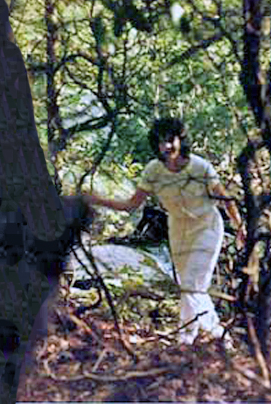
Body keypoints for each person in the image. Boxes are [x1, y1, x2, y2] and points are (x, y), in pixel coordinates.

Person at [85, 117, 246, 344]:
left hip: (207, 227)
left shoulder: (200, 167)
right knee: (190, 287)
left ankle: (186, 339)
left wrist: (239, 226)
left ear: (181, 140)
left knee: (193, 284)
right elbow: (132, 204)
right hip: (178, 230)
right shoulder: (153, 171)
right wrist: (98, 200)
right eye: (161, 142)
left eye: (170, 140)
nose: (166, 147)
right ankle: (218, 334)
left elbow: (226, 199)